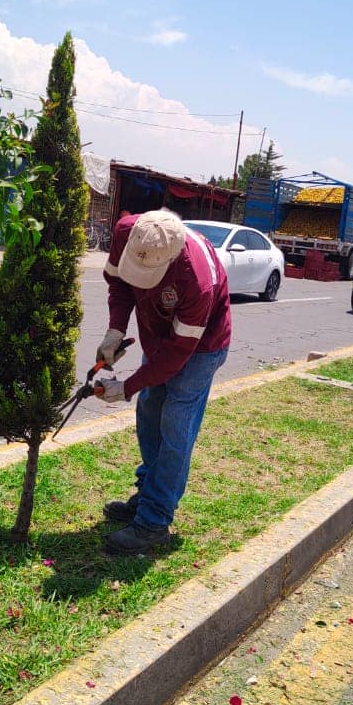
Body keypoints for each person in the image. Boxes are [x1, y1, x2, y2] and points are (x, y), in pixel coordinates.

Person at [95, 209, 232, 555]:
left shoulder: (195, 281)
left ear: (169, 261)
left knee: (174, 425)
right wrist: (116, 329)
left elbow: (175, 357)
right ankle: (147, 493)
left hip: (201, 348)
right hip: (159, 338)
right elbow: (121, 285)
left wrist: (126, 387)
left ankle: (154, 521)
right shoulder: (129, 231)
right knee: (150, 412)